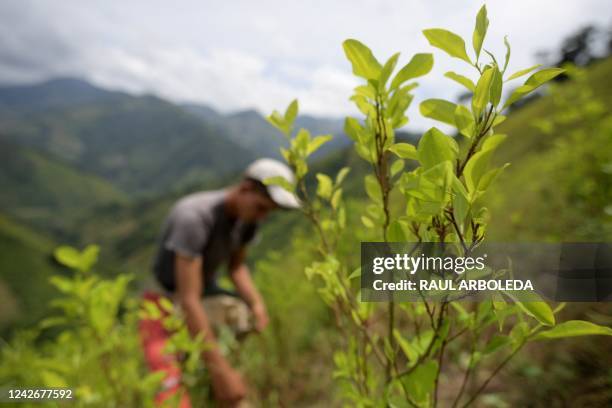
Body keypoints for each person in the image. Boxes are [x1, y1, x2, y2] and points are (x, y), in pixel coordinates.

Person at [140, 158, 300, 407]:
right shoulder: (193, 217)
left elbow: (236, 267)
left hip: (203, 293)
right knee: (169, 386)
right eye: (261, 208)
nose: (264, 217)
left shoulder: (248, 222)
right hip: (163, 299)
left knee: (241, 317)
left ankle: (213, 379)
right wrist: (220, 371)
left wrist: (256, 304)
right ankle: (208, 375)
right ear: (245, 188)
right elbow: (188, 299)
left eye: (269, 211)